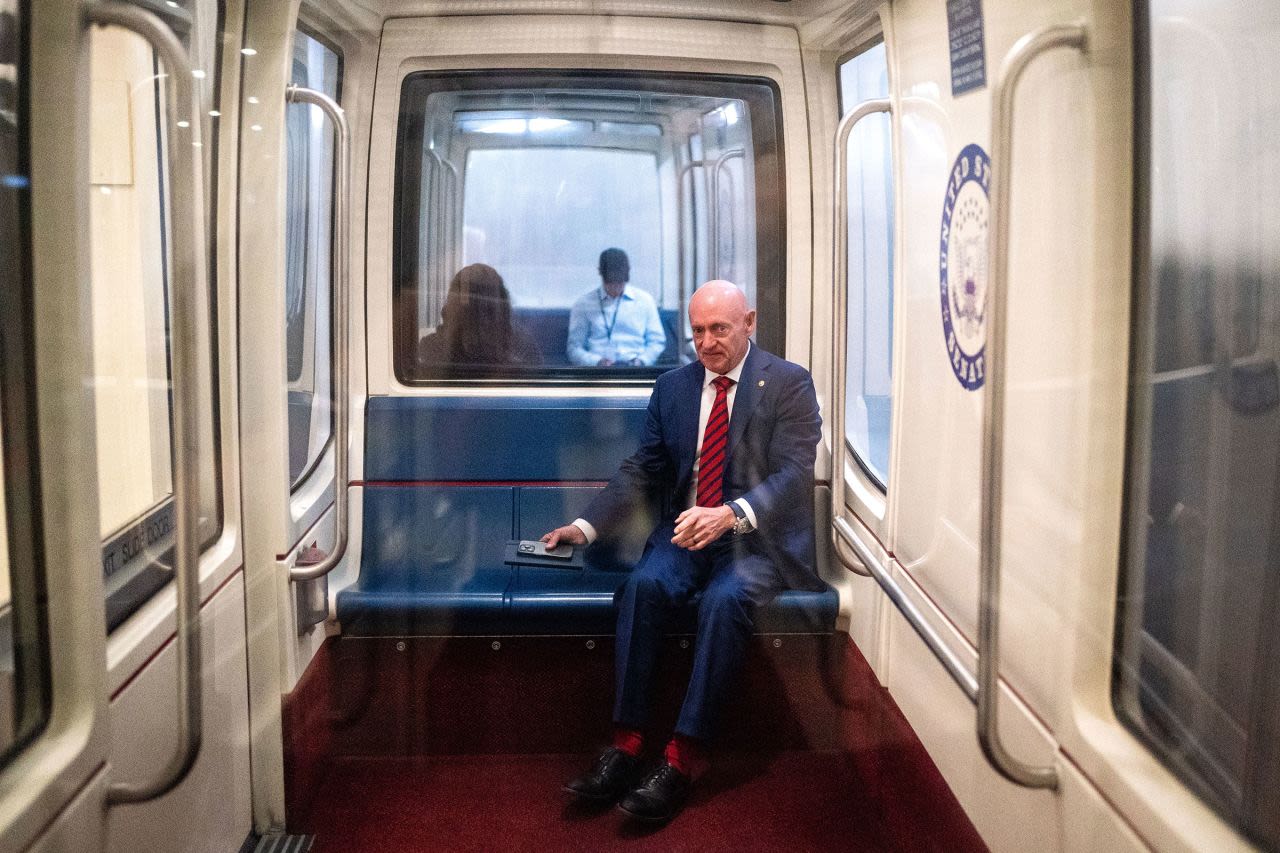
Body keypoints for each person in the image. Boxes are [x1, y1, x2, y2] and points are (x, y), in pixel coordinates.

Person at [542, 280, 824, 823]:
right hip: (686, 534)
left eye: (719, 328)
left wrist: (731, 514)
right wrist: (585, 525)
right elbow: (644, 468)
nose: (707, 342)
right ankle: (625, 745)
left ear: (749, 322)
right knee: (644, 587)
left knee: (725, 602)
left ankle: (682, 757)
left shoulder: (788, 383)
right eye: (697, 331)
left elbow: (793, 475)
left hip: (753, 542)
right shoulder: (673, 388)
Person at [418, 263, 541, 368]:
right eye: (471, 309)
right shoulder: (431, 346)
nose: (480, 317)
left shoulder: (521, 345)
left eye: (486, 309)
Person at [566, 248, 666, 366]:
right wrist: (597, 362)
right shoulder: (583, 304)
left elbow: (657, 342)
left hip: (637, 370)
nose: (615, 287)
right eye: (611, 282)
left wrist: (642, 361)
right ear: (600, 273)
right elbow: (574, 348)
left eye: (620, 282)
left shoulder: (645, 301)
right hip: (597, 373)